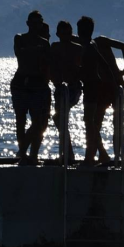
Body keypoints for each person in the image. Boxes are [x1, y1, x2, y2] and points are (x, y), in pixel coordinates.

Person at [76, 16, 124, 165]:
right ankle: (94, 155)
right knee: (95, 123)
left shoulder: (100, 41)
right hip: (101, 86)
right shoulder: (85, 44)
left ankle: (114, 157)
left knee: (114, 123)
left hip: (113, 84)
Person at [11, 10, 52, 164]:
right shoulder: (20, 38)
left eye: (38, 23)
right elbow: (20, 54)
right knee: (20, 120)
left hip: (37, 84)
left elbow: (47, 63)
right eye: (33, 23)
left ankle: (30, 153)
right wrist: (35, 50)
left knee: (38, 122)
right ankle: (23, 154)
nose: (36, 26)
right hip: (20, 83)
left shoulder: (44, 42)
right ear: (28, 23)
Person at [50, 20, 84, 164]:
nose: (65, 36)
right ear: (57, 34)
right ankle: (68, 153)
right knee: (59, 119)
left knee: (60, 118)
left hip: (73, 87)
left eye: (68, 33)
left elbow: (82, 68)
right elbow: (51, 65)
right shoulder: (55, 46)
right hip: (60, 87)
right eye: (62, 33)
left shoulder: (77, 48)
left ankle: (68, 154)